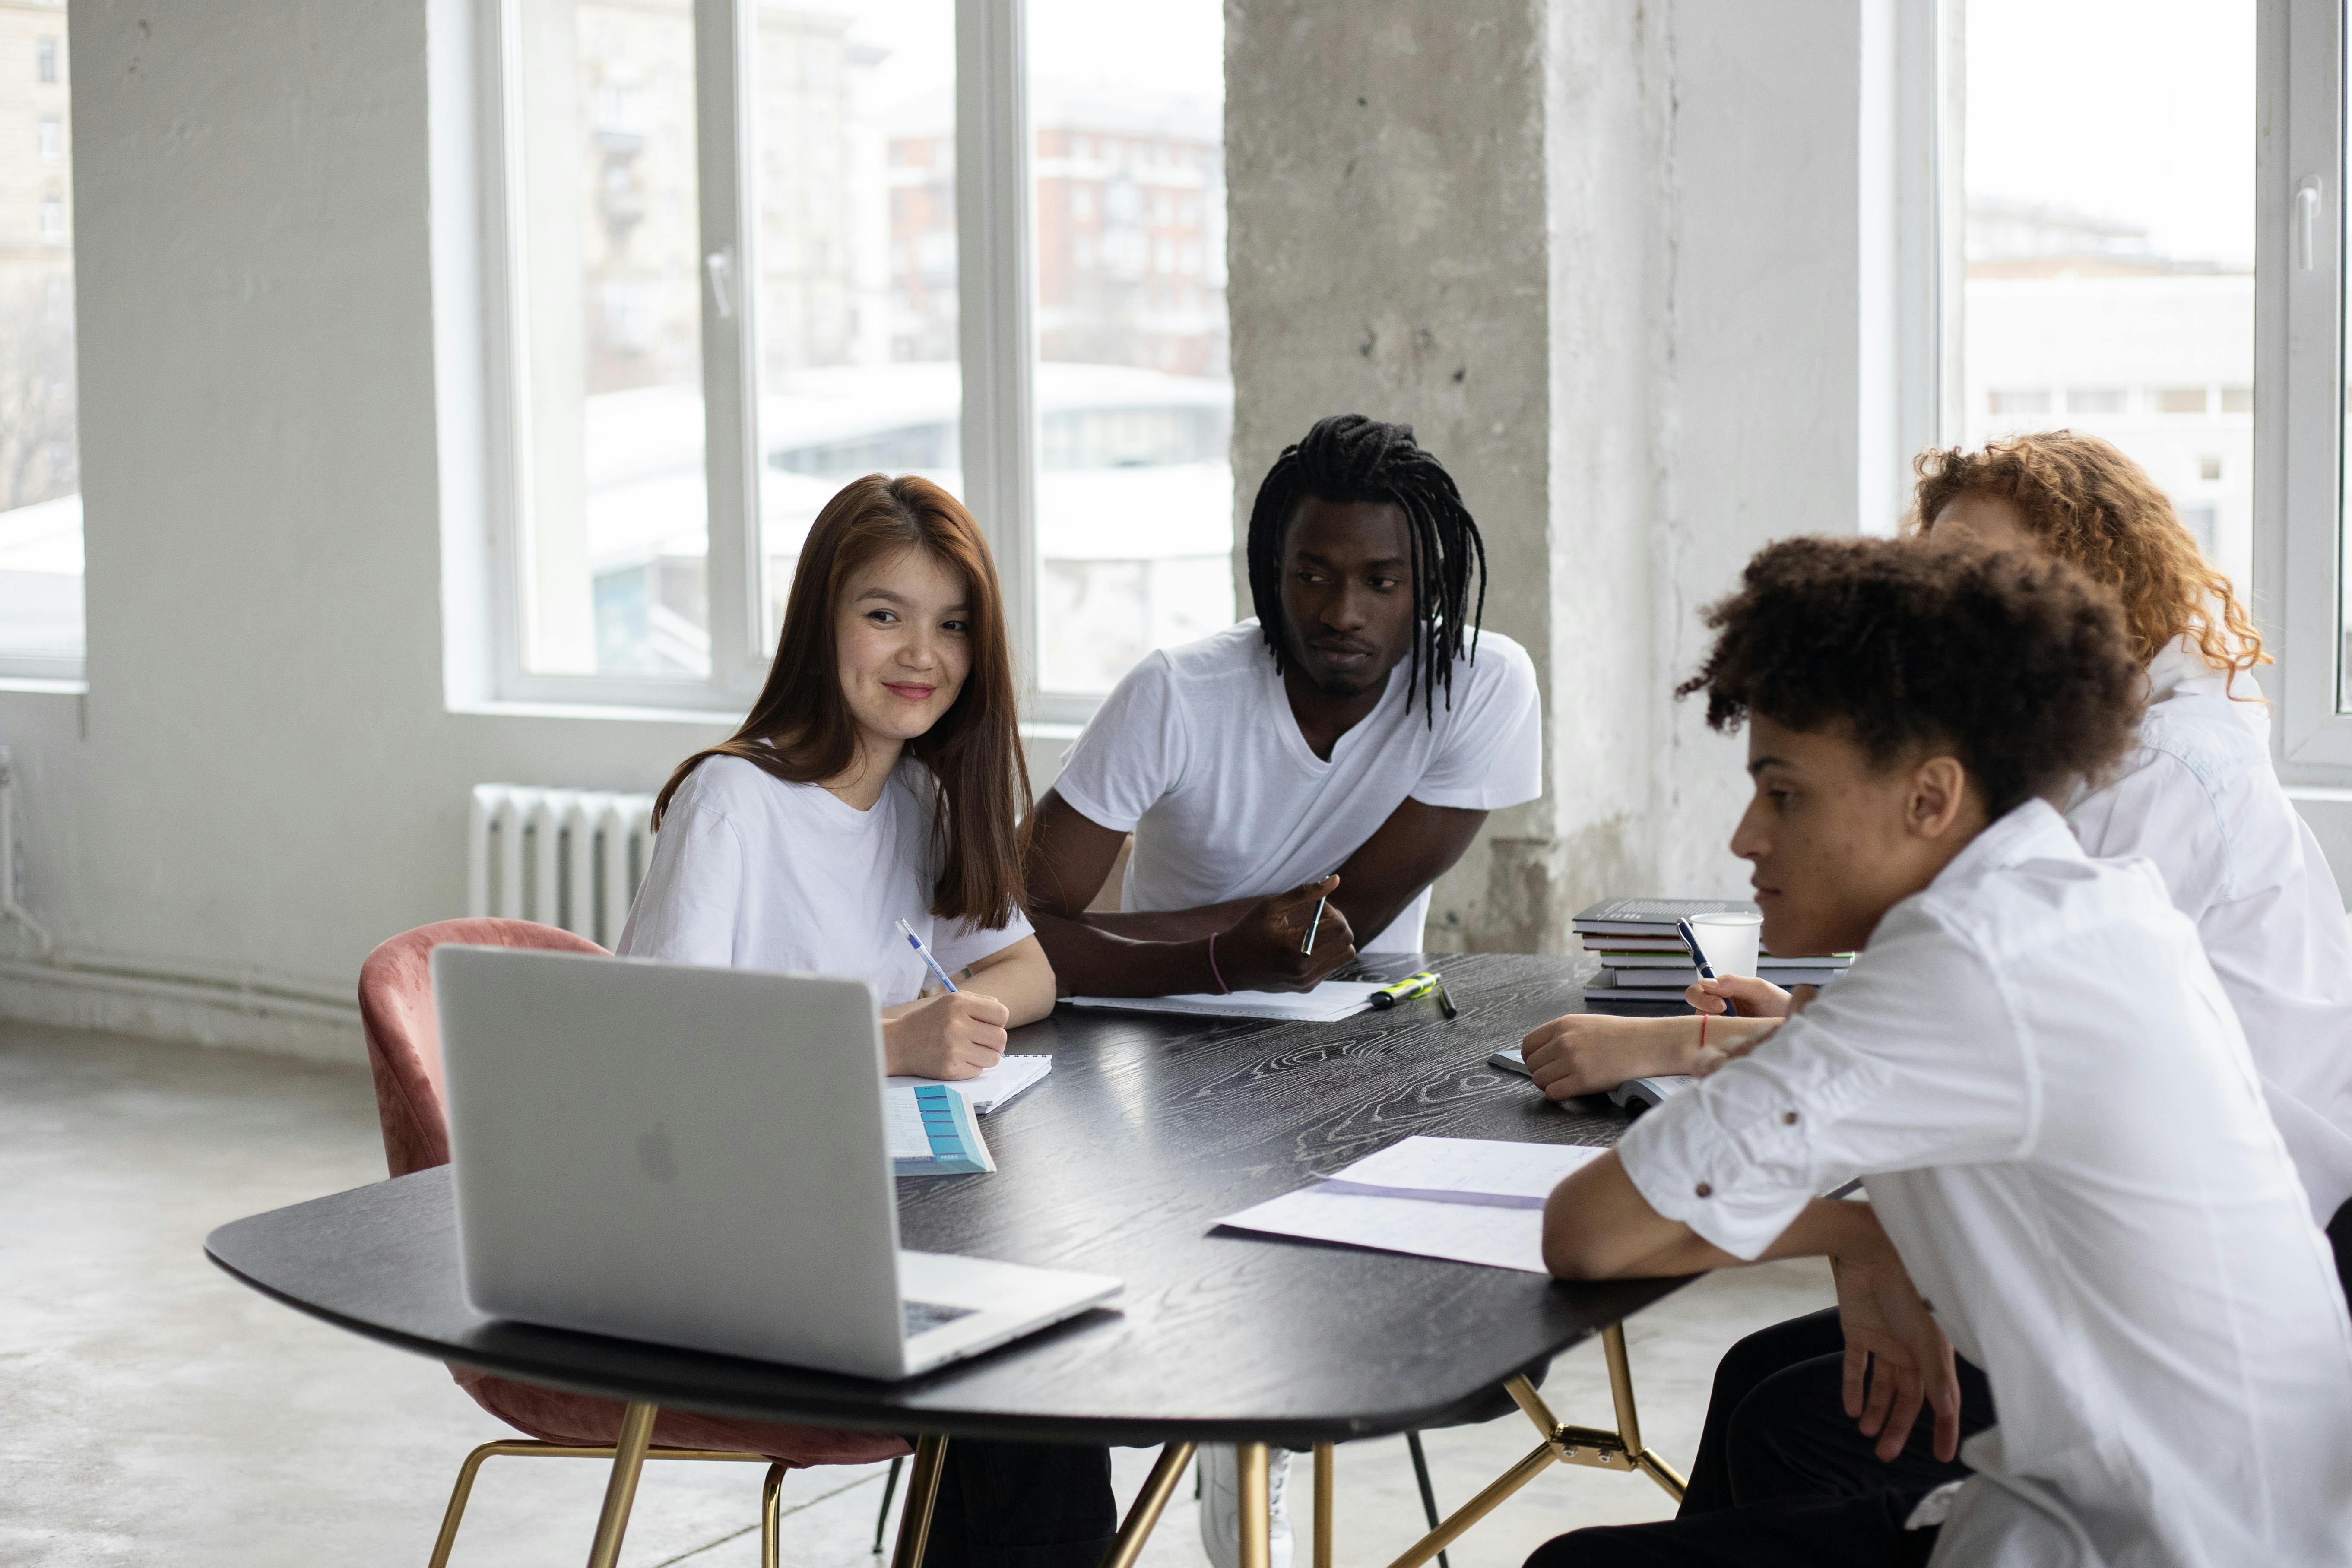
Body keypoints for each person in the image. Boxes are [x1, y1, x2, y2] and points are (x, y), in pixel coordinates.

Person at [1536, 432, 2352, 1518]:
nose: (1743, 838)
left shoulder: (2108, 828)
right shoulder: (2049, 888)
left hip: (2180, 1500)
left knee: (1757, 1447)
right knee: (1759, 1392)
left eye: (1782, 794)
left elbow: (1585, 1231)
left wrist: (1853, 1224)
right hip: (2209, 1451)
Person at [1020, 414, 1541, 1568]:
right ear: (1269, 572)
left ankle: (1270, 1434)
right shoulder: (1177, 692)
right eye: (1308, 573)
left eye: (1377, 580)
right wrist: (1214, 956)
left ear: (1427, 588)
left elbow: (1327, 929)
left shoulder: (1480, 684)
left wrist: (1237, 942)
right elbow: (1015, 928)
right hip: (1138, 1059)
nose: (1339, 610)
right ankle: (1231, 1458)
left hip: (1358, 1051)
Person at [617, 474, 1110, 1568]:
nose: (918, 654)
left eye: (949, 626)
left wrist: (957, 1010)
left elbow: (1030, 965)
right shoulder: (732, 801)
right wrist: (889, 1040)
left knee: (1043, 1353)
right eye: (883, 615)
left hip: (875, 1205)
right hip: (728, 1228)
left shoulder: (920, 802)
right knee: (1027, 1381)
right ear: (820, 621)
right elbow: (655, 1047)